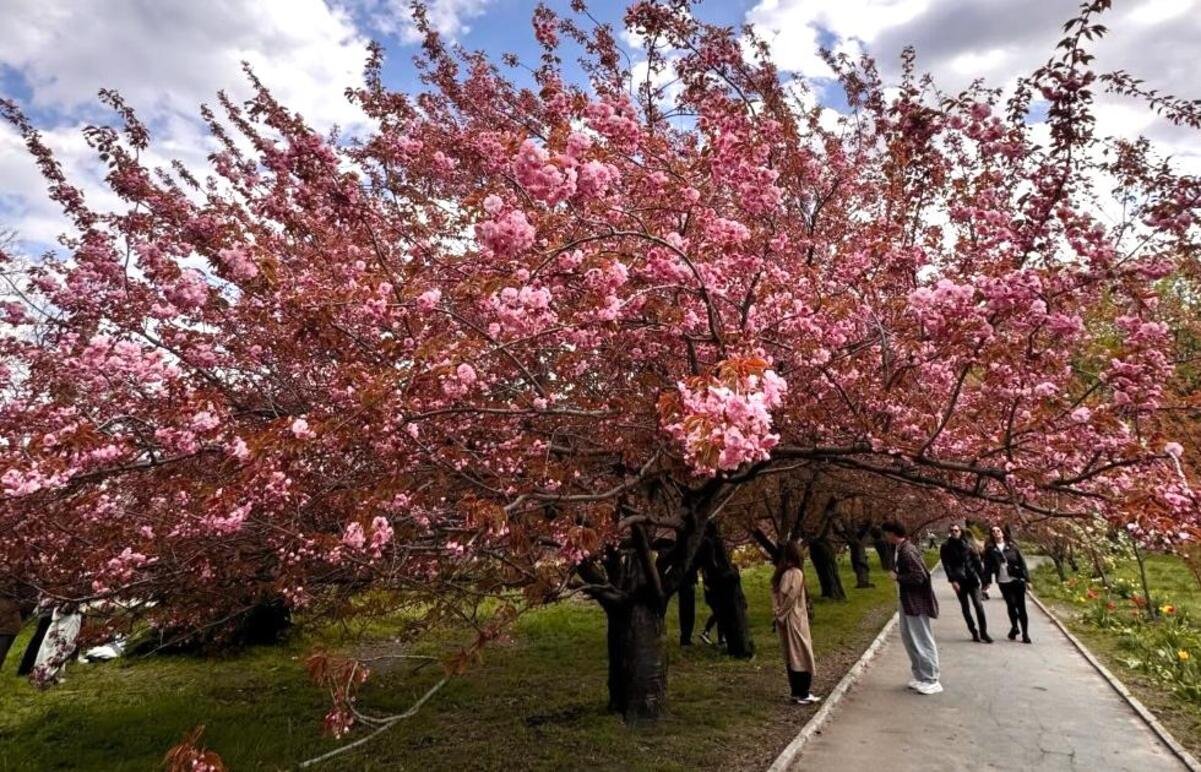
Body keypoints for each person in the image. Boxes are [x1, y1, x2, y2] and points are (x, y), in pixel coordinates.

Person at [882, 521, 942, 695]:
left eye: (887, 533)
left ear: (893, 533)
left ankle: (931, 678)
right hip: (907, 601)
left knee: (921, 639)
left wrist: (898, 577)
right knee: (910, 638)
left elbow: (920, 576)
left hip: (916, 602)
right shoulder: (901, 549)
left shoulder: (907, 551)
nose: (886, 537)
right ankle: (921, 676)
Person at [771, 541, 820, 705]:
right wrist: (782, 614)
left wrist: (777, 612)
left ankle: (796, 691)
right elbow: (792, 597)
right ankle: (803, 692)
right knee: (803, 654)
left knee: (791, 655)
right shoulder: (796, 574)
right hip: (795, 619)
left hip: (786, 619)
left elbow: (776, 595)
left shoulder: (781, 574)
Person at [940, 524, 992, 643]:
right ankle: (973, 631)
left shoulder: (968, 545)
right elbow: (946, 565)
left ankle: (983, 632)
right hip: (959, 581)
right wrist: (952, 581)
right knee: (965, 608)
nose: (954, 532)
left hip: (972, 579)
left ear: (960, 531)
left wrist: (984, 580)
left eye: (956, 530)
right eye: (952, 530)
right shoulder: (946, 546)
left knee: (979, 606)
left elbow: (977, 563)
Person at [983, 525, 1032, 643]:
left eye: (998, 530)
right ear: (991, 535)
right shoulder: (990, 550)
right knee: (1011, 604)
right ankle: (1015, 627)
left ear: (1003, 533)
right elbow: (988, 567)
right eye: (993, 531)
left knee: (1021, 607)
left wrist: (1028, 580)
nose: (996, 533)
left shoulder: (1012, 546)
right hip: (1003, 581)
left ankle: (1025, 633)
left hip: (1017, 579)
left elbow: (1022, 563)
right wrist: (986, 582)